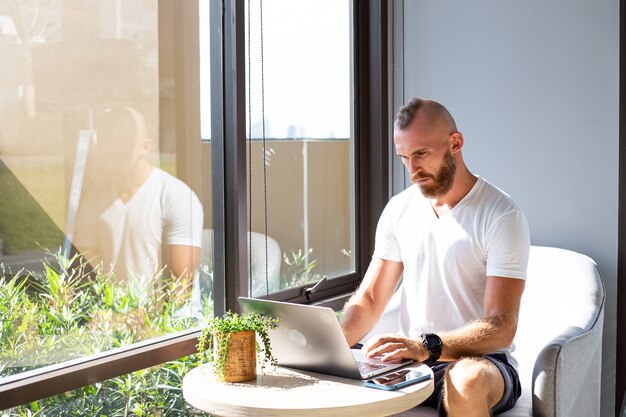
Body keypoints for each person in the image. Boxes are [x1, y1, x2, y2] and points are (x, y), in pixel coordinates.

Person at [340, 98, 530, 416]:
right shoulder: (399, 210)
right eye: (404, 158)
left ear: (455, 143)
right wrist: (331, 347)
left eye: (421, 154)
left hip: (480, 361)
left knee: (465, 380)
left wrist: (427, 346)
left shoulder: (501, 215)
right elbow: (371, 298)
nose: (413, 170)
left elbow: (501, 326)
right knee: (330, 373)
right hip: (414, 359)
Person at [75, 106, 204, 313]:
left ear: (146, 147)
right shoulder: (94, 200)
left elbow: (182, 287)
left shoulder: (177, 197)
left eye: (121, 148)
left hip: (173, 329)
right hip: (114, 326)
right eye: (108, 147)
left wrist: (139, 321)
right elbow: (85, 274)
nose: (113, 156)